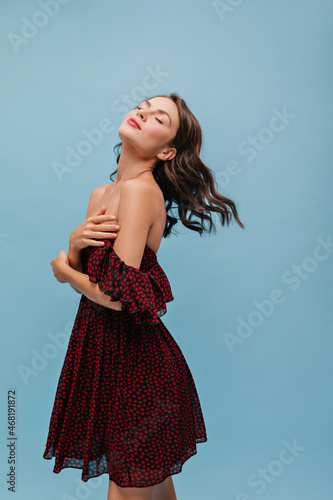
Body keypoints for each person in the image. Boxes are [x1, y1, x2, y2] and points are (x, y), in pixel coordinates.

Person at [43, 93, 245, 500]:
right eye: (142, 107)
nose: (142, 114)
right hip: (108, 362)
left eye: (159, 119)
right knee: (155, 490)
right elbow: (98, 275)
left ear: (168, 151)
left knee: (125, 490)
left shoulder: (140, 192)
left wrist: (65, 272)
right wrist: (74, 243)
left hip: (139, 373)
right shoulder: (101, 194)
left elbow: (118, 297)